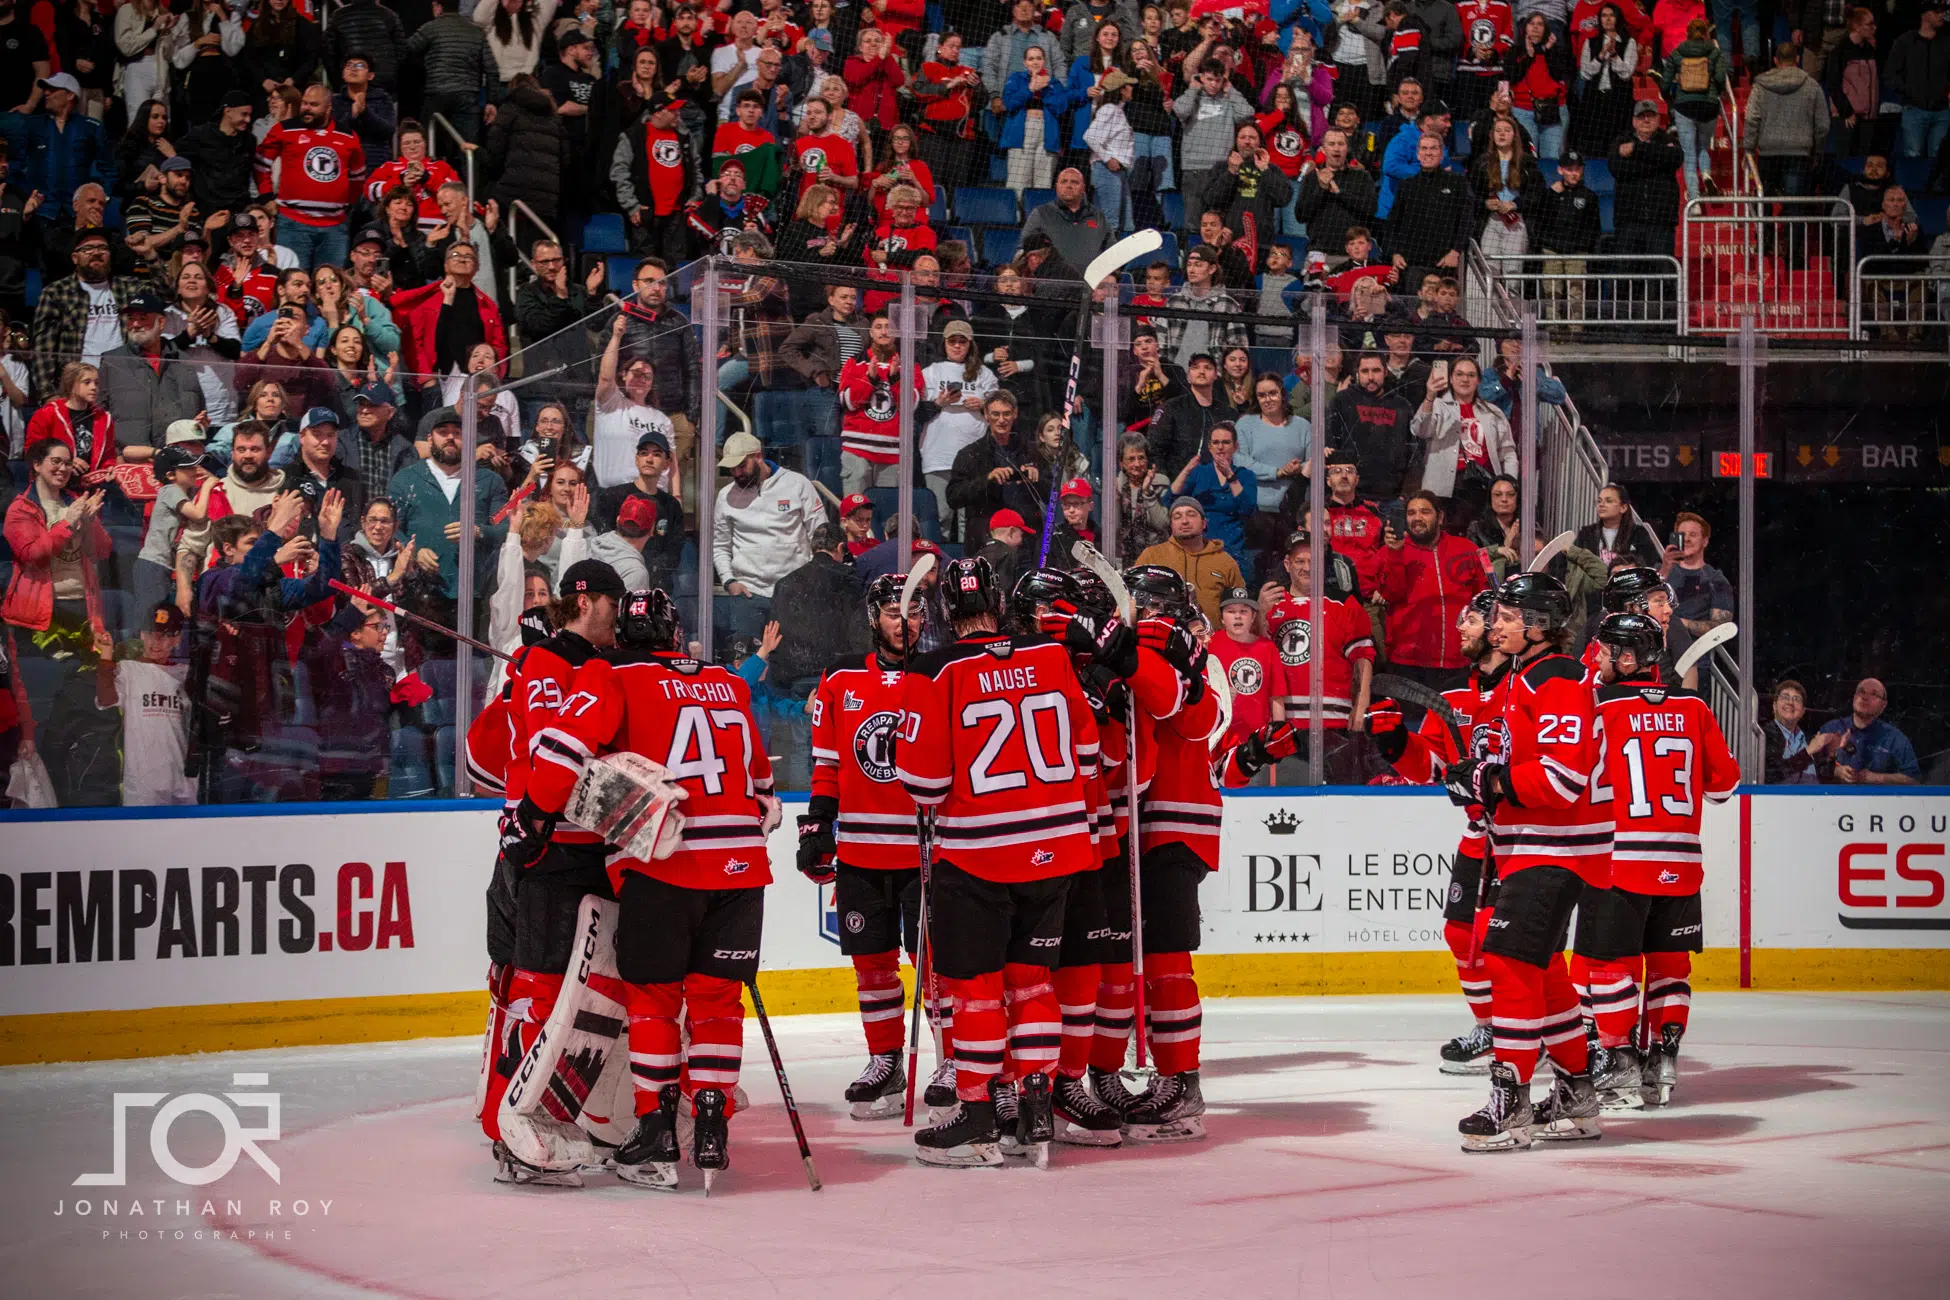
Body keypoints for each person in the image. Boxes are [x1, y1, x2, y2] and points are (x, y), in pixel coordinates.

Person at [898, 555, 1101, 1168]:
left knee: (978, 990)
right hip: (1057, 848)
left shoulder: (937, 669)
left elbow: (923, 785)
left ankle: (980, 1115)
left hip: (982, 854)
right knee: (1034, 981)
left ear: (946, 613)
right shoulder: (1051, 656)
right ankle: (1036, 1108)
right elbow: (1089, 753)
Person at [473, 557, 622, 1183]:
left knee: (517, 982)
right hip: (555, 845)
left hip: (522, 843)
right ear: (589, 602)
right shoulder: (572, 669)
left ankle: (498, 1115)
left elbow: (485, 763)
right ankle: (516, 1129)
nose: (620, 617)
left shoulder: (532, 665)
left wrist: (512, 690)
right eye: (615, 603)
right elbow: (554, 756)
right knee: (544, 989)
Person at [1447, 572, 1605, 1152]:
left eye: (1510, 617)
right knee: (1543, 973)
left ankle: (1510, 1101)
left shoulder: (1556, 678)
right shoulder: (1522, 678)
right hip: (1529, 844)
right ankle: (1576, 1094)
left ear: (1539, 625)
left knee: (1508, 963)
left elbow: (1563, 779)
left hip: (1556, 845)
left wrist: (1493, 780)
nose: (1497, 624)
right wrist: (1478, 780)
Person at [799, 570, 948, 1117]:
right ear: (873, 619)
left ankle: (952, 1060)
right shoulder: (840, 681)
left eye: (912, 613)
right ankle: (885, 1060)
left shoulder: (937, 675)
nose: (904, 623)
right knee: (872, 963)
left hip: (924, 852)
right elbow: (829, 764)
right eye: (893, 613)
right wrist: (818, 825)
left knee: (934, 963)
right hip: (861, 853)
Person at [1576, 610, 1740, 1109]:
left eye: (1605, 652)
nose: (1598, 660)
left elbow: (1573, 778)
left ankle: (1620, 1059)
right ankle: (1663, 1062)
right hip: (1683, 860)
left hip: (1621, 858)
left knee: (1607, 966)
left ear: (1626, 658)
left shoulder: (1598, 703)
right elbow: (1726, 785)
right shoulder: (1693, 707)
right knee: (1671, 968)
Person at [1370, 588, 1508, 1071]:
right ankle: (1493, 1027)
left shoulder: (1527, 690)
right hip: (1478, 837)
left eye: (1470, 620)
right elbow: (1431, 768)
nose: (1460, 628)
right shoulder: (1452, 695)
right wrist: (1395, 742)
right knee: (1460, 933)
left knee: (1507, 941)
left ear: (1498, 628)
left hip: (1524, 838)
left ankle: (1535, 1029)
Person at [1258, 529, 1377, 778]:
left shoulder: (1344, 603)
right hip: (1284, 723)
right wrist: (1259, 614)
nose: (1306, 567)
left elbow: (1363, 657)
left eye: (1313, 561)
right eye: (1300, 561)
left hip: (1334, 721)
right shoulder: (1271, 604)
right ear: (1287, 565)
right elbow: (1259, 656)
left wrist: (1362, 705)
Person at [388, 407, 511, 609]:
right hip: (420, 591)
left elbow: (505, 528)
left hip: (475, 593)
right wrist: (415, 552)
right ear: (429, 438)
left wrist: (478, 532)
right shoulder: (405, 479)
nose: (450, 438)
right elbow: (390, 529)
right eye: (443, 432)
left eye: (458, 433)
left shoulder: (490, 481)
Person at [712, 429, 826, 647]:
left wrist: (811, 582)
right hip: (748, 594)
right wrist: (729, 581)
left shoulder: (797, 484)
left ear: (758, 456)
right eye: (731, 468)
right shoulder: (725, 495)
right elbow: (720, 544)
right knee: (745, 666)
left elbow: (819, 534)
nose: (736, 473)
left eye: (741, 465)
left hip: (794, 593)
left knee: (791, 667)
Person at [1378, 490, 1489, 692]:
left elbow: (1483, 599)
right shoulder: (1390, 551)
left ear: (1440, 517)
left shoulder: (1467, 549)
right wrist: (1395, 554)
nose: (1417, 518)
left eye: (1425, 512)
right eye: (1411, 513)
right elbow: (1391, 595)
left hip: (1459, 663)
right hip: (1408, 664)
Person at [253, 83, 365, 269]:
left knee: (331, 285)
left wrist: (347, 204)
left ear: (328, 108)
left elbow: (358, 176)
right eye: (304, 103)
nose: (306, 108)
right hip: (293, 224)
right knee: (293, 284)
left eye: (313, 105)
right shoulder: (284, 129)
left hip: (334, 227)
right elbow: (261, 164)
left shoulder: (348, 135)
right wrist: (266, 197)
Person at [97, 289, 204, 457]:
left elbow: (199, 411)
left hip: (175, 460)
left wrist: (200, 425)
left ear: (161, 323)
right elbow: (98, 415)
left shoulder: (183, 361)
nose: (135, 324)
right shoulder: (112, 361)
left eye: (143, 318)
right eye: (131, 319)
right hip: (128, 462)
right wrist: (113, 457)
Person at [838, 307, 924, 495]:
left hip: (893, 453)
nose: (884, 331)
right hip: (857, 450)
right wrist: (870, 380)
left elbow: (912, 406)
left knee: (886, 517)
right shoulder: (855, 362)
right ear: (871, 332)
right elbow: (847, 402)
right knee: (855, 514)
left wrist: (894, 380)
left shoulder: (910, 366)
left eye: (889, 327)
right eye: (879, 327)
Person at [1136, 497, 1246, 626]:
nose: (1184, 521)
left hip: (1212, 642)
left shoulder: (1225, 561)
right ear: (1171, 525)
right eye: (1177, 517)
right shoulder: (1152, 555)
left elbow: (1240, 607)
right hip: (1163, 640)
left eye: (1191, 515)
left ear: (1204, 523)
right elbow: (1133, 600)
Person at [1743, 42, 1830, 200]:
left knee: (1765, 205)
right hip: (1799, 152)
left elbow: (1751, 118)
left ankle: (1766, 226)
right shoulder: (1812, 86)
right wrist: (1817, 150)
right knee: (1794, 206)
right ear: (1797, 58)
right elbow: (1823, 125)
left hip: (1768, 151)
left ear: (1776, 60)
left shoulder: (1761, 85)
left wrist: (1749, 148)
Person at [1329, 352, 1417, 502]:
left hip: (1392, 496)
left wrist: (1407, 492)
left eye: (1376, 371)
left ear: (1385, 372)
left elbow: (1413, 451)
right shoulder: (1343, 400)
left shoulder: (1401, 405)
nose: (1370, 377)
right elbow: (1331, 444)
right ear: (1357, 373)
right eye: (1365, 371)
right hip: (1353, 496)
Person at [1809, 677, 1922, 784]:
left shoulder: (1894, 738)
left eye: (1873, 694)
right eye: (1861, 692)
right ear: (1854, 697)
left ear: (1883, 705)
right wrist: (1835, 771)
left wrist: (1875, 778)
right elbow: (1807, 767)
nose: (1865, 697)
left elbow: (1913, 779)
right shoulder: (1830, 729)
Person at [1657, 510, 1733, 644]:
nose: (1686, 539)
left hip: (1694, 658)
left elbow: (1722, 629)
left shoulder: (1715, 580)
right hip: (1657, 656)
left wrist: (1681, 624)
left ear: (1705, 541)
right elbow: (1641, 604)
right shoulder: (1659, 570)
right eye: (1682, 535)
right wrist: (1664, 570)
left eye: (1693, 535)